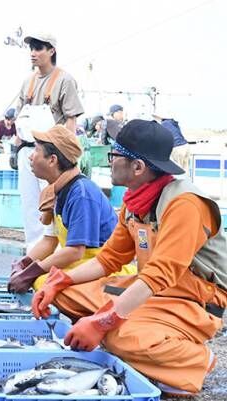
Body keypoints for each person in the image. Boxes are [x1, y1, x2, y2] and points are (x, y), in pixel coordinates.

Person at [31, 119, 226, 396]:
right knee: (63, 294)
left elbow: (160, 273)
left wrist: (102, 322)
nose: (110, 161)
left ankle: (194, 361)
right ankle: (138, 335)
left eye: (115, 155)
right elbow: (109, 259)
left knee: (117, 336)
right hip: (153, 291)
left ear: (138, 167)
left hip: (192, 299)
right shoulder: (134, 202)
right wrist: (61, 279)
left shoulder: (185, 205)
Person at [7, 125, 134, 292]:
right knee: (41, 281)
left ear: (52, 160)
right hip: (82, 266)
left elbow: (75, 251)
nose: (31, 156)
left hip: (108, 272)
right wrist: (25, 263)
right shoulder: (56, 191)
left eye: (36, 150)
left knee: (45, 283)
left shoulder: (81, 193)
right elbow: (49, 241)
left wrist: (32, 272)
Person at [12, 33, 85, 246]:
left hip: (52, 153)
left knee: (52, 203)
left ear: (51, 50)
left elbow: (70, 119)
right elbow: (20, 117)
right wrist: (16, 149)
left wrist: (67, 156)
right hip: (28, 150)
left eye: (39, 48)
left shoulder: (64, 80)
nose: (33, 53)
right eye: (31, 49)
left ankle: (54, 253)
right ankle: (33, 254)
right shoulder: (28, 82)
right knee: (30, 205)